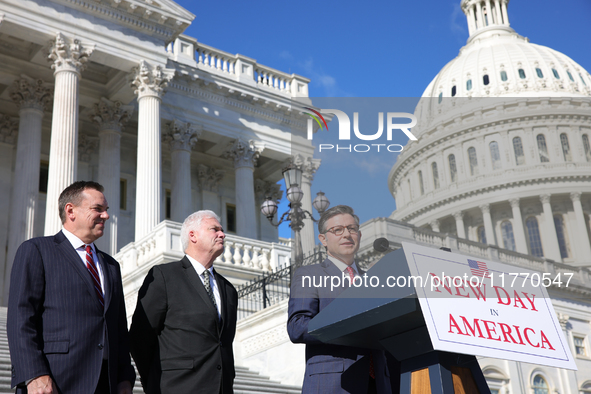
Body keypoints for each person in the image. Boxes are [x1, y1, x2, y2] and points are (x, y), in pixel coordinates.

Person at [7, 181, 135, 394]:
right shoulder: (36, 250)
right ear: (70, 210)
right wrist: (34, 374)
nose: (106, 216)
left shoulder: (111, 265)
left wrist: (124, 379)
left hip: (107, 383)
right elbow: (21, 318)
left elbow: (119, 329)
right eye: (98, 209)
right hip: (56, 380)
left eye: (106, 210)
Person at [130, 210, 238, 394]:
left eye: (222, 230)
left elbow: (223, 344)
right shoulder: (164, 276)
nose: (222, 234)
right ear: (192, 235)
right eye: (214, 229)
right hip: (175, 387)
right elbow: (140, 337)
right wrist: (155, 382)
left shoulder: (228, 289)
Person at [287, 205, 392, 394]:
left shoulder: (375, 281)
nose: (347, 234)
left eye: (352, 229)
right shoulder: (309, 274)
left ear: (359, 235)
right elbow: (297, 326)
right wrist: (350, 325)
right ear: (323, 239)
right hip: (333, 383)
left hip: (378, 384)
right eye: (337, 230)